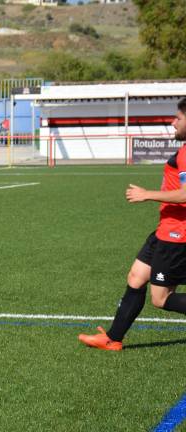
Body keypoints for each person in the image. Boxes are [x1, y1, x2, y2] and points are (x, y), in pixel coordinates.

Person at [79, 98, 186, 351]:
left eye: (178, 118)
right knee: (136, 277)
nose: (173, 123)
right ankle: (113, 339)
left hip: (176, 234)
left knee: (160, 299)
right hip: (164, 230)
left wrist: (146, 194)